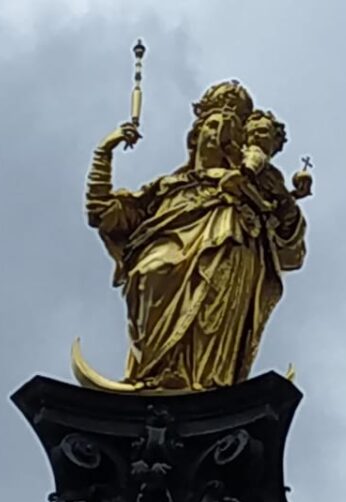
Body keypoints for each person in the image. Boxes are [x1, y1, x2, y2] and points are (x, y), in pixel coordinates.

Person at [77, 82, 307, 392]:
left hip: (232, 242)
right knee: (152, 270)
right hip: (169, 244)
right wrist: (104, 152)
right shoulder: (166, 188)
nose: (221, 132)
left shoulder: (251, 187)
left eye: (230, 128)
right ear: (195, 136)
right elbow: (102, 212)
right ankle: (154, 373)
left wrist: (280, 199)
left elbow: (292, 247)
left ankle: (209, 383)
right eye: (213, 125)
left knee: (213, 311)